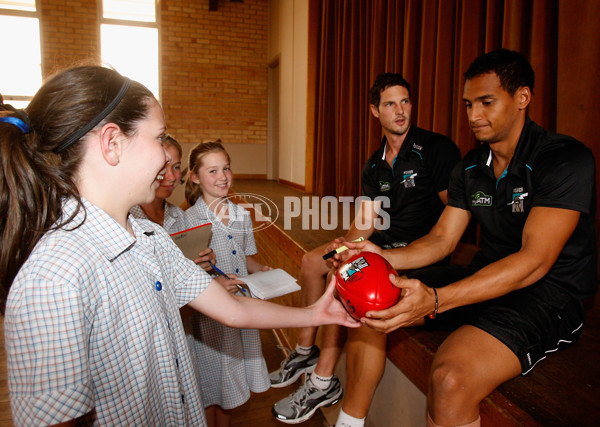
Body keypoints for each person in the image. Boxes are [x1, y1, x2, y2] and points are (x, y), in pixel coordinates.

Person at [0, 65, 360, 426]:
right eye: (158, 138)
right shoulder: (53, 279)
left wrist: (316, 314)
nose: (164, 161)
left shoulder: (147, 236)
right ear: (112, 143)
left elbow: (233, 309)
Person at [334, 48, 597, 427]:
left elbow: (534, 262)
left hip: (547, 294)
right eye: (469, 104)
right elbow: (442, 239)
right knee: (377, 303)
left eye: (486, 102)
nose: (474, 116)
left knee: (448, 379)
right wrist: (380, 255)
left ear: (522, 97)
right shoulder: (471, 167)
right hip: (483, 276)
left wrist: (437, 299)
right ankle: (349, 420)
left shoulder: (564, 158)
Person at [271, 73, 461, 423]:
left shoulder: (436, 149)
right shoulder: (374, 164)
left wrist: (368, 253)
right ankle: (304, 351)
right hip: (380, 243)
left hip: (419, 251)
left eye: (405, 101)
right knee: (319, 260)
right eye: (390, 104)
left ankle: (324, 381)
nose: (400, 110)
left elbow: (454, 218)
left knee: (352, 282)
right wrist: (348, 244)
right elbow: (366, 221)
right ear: (375, 111)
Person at [182, 140, 274, 427]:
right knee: (213, 386)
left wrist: (264, 270)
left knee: (231, 388)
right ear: (195, 177)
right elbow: (186, 274)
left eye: (226, 168)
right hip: (211, 318)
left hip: (241, 309)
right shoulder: (188, 221)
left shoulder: (241, 215)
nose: (222, 177)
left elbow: (247, 258)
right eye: (212, 171)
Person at [130, 133, 216, 269]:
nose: (171, 177)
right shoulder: (126, 218)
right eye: (162, 166)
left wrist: (203, 262)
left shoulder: (180, 217)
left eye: (176, 167)